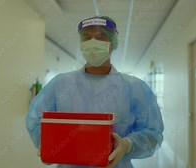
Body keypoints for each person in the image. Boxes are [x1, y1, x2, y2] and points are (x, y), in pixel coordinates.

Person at [26, 16, 164, 168]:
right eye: (86, 37)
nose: (92, 43)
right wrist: (47, 144)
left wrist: (127, 144)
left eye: (100, 37)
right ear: (81, 44)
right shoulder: (61, 84)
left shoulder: (135, 87)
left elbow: (153, 132)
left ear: (112, 43)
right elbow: (35, 118)